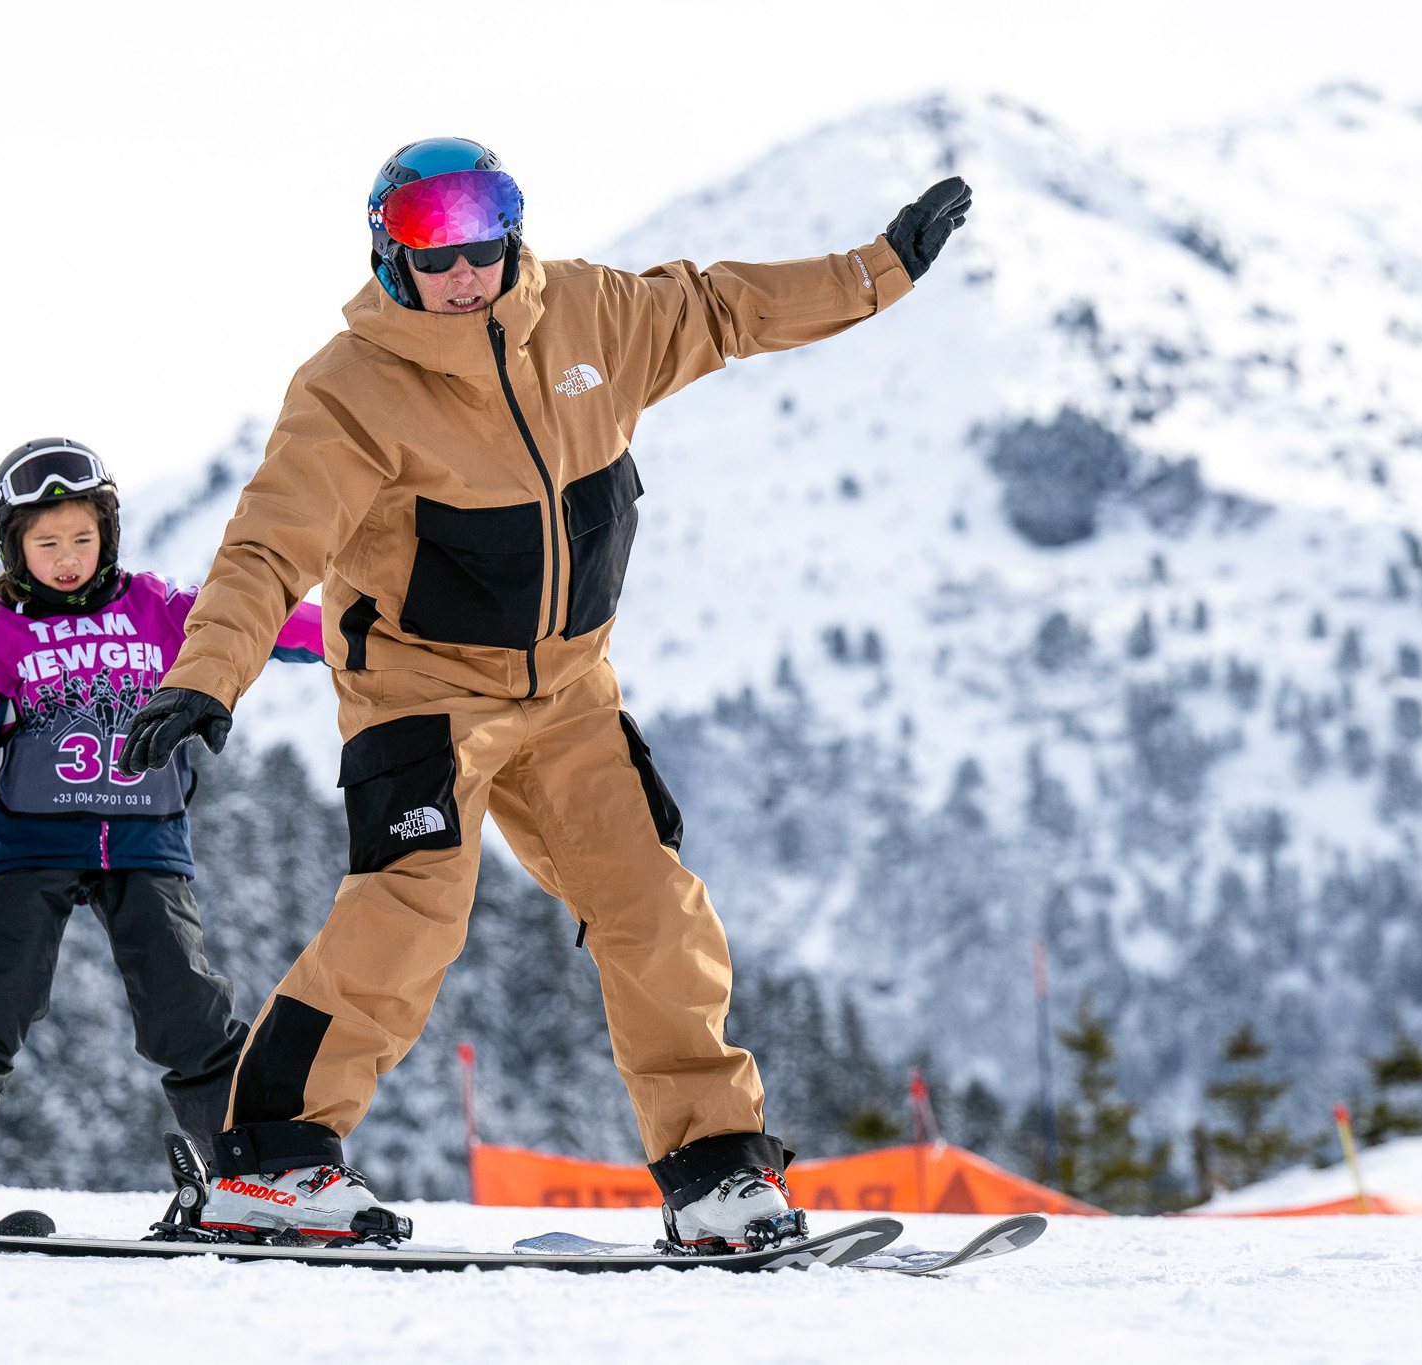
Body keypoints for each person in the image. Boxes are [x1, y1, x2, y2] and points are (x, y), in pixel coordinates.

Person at [119, 138, 971, 1250]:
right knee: (409, 910)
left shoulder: (588, 316)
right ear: (389, 256)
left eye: (481, 242)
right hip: (420, 691)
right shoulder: (350, 389)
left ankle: (717, 1170)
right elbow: (267, 549)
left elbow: (720, 309)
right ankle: (269, 1164)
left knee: (652, 908)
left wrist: (875, 273)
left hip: (567, 689)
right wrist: (204, 675)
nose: (463, 272)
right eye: (434, 254)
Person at [0, 437, 324, 1228]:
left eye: (81, 538)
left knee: (188, 1007)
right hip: (36, 846)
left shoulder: (154, 607)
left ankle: (246, 1176)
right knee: (0, 992)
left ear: (107, 534)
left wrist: (351, 632)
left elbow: (250, 620)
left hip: (147, 841)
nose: (65, 558)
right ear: (15, 547)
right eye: (45, 542)